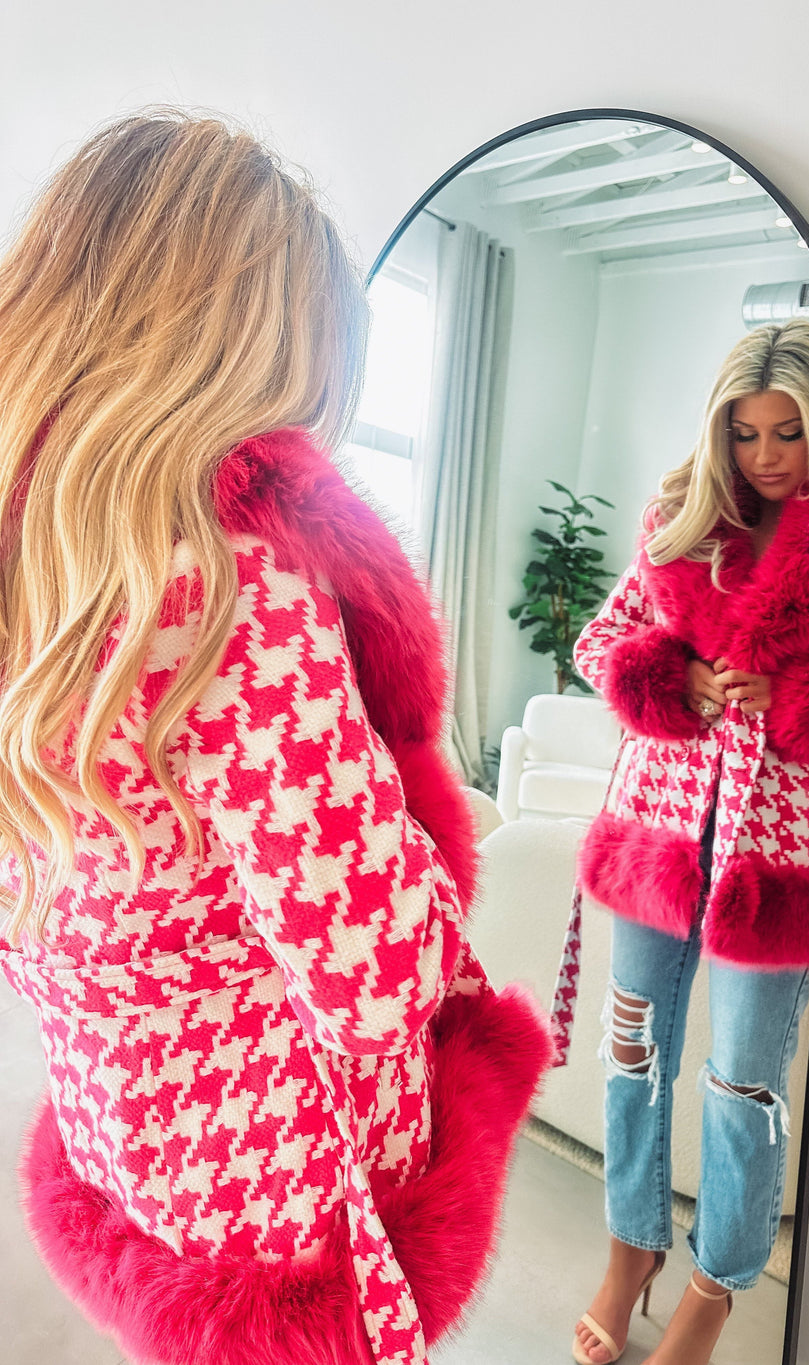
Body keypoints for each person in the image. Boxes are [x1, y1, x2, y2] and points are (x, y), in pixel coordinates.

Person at [0, 111, 552, 1365]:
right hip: (280, 1199)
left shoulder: (38, 579)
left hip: (120, 1133)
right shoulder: (235, 591)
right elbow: (373, 975)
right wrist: (424, 852)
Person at [569, 319, 809, 1365]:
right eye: (745, 431)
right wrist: (676, 675)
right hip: (659, 825)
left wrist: (801, 690)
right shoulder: (683, 522)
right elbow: (599, 642)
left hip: (773, 853)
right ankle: (629, 1248)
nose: (764, 454)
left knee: (743, 1082)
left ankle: (713, 1289)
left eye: (787, 431)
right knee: (631, 1053)